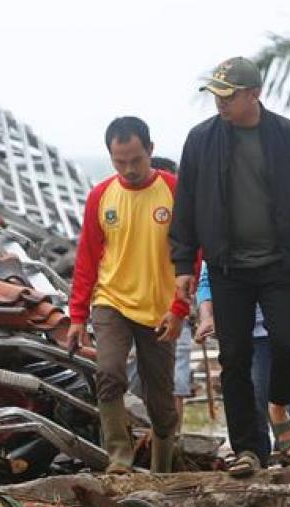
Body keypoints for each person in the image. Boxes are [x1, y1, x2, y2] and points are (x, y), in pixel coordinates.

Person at [170, 56, 290, 477]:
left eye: (228, 97)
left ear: (254, 94)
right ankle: (249, 449)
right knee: (235, 358)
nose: (220, 104)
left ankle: (278, 407)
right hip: (227, 268)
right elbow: (186, 205)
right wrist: (183, 263)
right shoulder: (201, 140)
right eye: (215, 96)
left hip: (279, 265)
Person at [68, 117, 187, 474]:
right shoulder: (101, 196)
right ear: (110, 157)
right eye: (120, 162)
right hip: (111, 301)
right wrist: (77, 316)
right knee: (108, 371)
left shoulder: (174, 190)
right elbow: (87, 258)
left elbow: (190, 255)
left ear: (150, 150)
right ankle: (119, 459)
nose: (129, 169)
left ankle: (162, 468)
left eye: (136, 159)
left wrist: (181, 308)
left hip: (159, 309)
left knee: (161, 400)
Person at [196, 251, 290, 460]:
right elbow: (208, 279)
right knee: (256, 390)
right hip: (250, 324)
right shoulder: (223, 234)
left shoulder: (287, 224)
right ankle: (257, 452)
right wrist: (207, 316)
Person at [127, 157, 195, 436]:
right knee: (138, 381)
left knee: (174, 381)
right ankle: (146, 440)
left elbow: (195, 265)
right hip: (134, 308)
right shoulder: (139, 219)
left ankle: (171, 440)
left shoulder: (183, 224)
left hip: (174, 309)